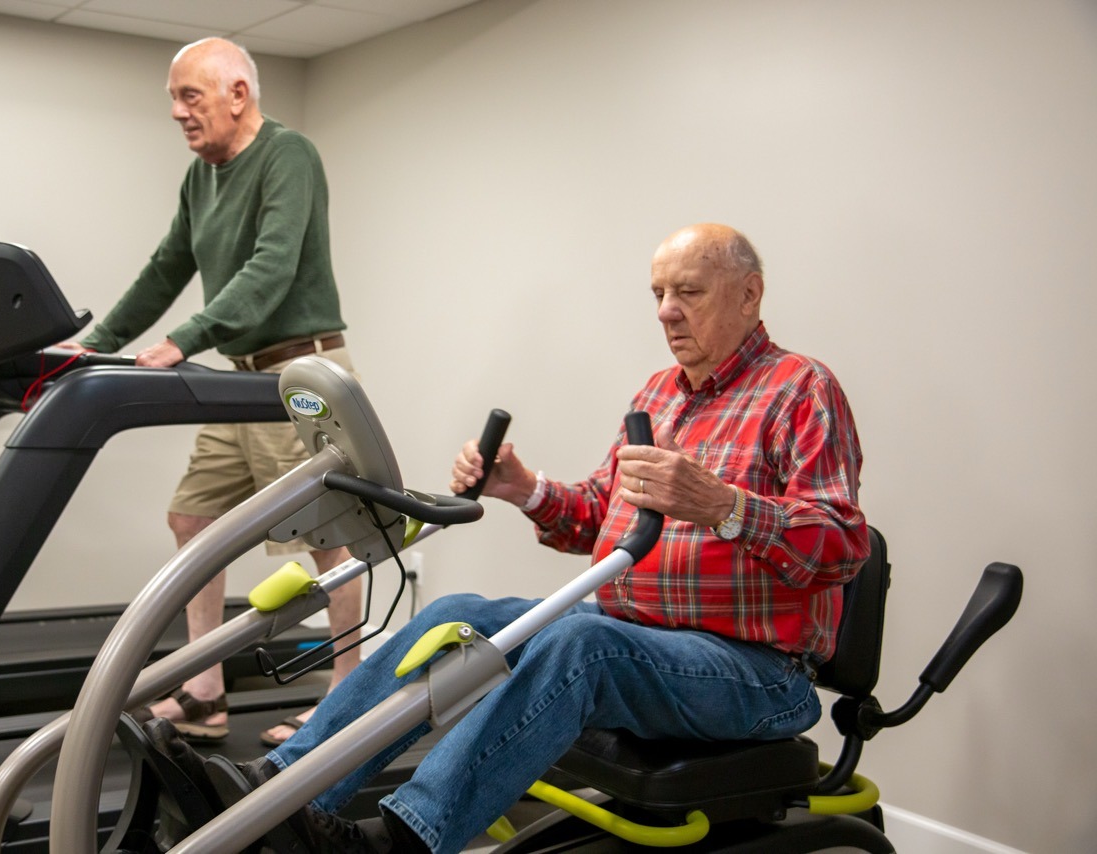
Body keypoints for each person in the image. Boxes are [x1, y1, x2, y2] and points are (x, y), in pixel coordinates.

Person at [224, 222, 869, 853]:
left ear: (749, 294)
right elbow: (600, 518)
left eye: (689, 294)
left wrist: (719, 503)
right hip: (642, 642)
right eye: (658, 295)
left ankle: (401, 839)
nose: (668, 313)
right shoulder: (660, 394)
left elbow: (842, 545)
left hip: (755, 674)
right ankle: (276, 798)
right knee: (454, 617)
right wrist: (521, 486)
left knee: (579, 639)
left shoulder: (800, 390)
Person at [67, 37, 360, 746]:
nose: (177, 113)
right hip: (241, 379)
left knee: (332, 541)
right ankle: (204, 691)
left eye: (189, 96)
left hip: (300, 377)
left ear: (237, 92)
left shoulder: (289, 155)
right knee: (193, 521)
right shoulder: (202, 178)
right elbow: (166, 266)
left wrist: (185, 339)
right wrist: (95, 344)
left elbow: (272, 268)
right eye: (173, 100)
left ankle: (346, 700)